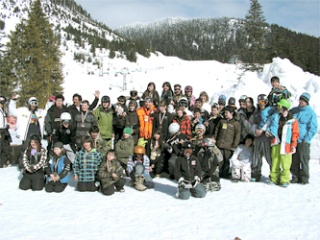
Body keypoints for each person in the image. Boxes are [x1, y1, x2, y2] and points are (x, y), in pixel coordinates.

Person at [267, 99, 299, 187]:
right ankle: (274, 178)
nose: (278, 108)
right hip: (276, 142)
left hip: (287, 145)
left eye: (280, 106)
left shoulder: (293, 121)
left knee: (286, 163)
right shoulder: (276, 117)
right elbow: (270, 126)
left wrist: (293, 144)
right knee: (275, 162)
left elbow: (295, 134)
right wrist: (268, 132)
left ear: (284, 108)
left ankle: (284, 180)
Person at [290, 92, 318, 184]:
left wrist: (306, 139)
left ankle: (304, 178)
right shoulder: (294, 111)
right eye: (300, 100)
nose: (301, 102)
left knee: (304, 160)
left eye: (303, 101)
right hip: (293, 140)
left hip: (304, 141)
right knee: (294, 160)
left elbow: (313, 128)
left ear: (307, 102)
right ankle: (295, 177)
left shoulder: (311, 113)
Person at [213, 106, 241, 178]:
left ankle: (225, 173)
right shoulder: (222, 121)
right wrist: (214, 139)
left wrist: (234, 146)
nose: (225, 114)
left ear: (231, 113)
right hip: (219, 144)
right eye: (224, 112)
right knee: (219, 159)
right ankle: (219, 173)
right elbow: (216, 131)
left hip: (228, 146)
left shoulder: (236, 123)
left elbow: (237, 136)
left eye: (227, 113)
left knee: (226, 160)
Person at [251, 94, 272, 182]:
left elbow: (271, 122)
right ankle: (256, 174)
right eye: (260, 102)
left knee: (269, 157)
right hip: (258, 139)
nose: (261, 104)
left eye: (263, 102)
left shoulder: (270, 111)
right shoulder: (256, 112)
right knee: (256, 157)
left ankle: (273, 173)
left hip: (267, 138)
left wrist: (262, 130)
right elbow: (254, 123)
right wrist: (255, 131)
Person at [0, 96, 11, 168]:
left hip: (4, 130)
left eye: (3, 103)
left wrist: (6, 125)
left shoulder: (2, 111)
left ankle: (2, 162)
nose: (2, 104)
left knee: (5, 146)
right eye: (1, 103)